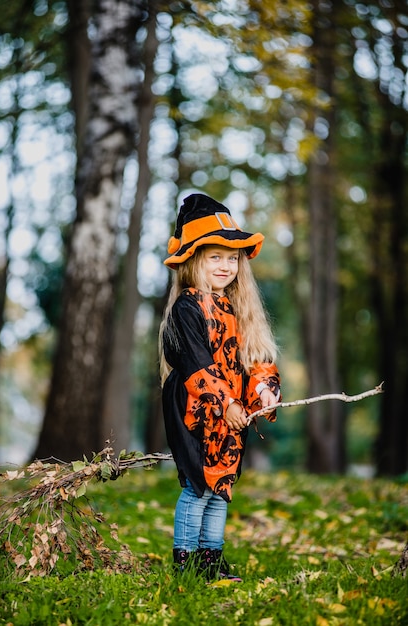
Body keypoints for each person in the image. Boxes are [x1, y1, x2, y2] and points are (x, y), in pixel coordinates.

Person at [159, 193, 281, 582]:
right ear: (194, 260)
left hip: (232, 413)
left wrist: (263, 390)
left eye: (233, 258)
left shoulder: (237, 306)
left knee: (222, 485)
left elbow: (256, 357)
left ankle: (210, 560)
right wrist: (225, 401)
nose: (226, 265)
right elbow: (196, 363)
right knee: (198, 484)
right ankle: (186, 563)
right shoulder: (187, 308)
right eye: (216, 257)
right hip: (197, 407)